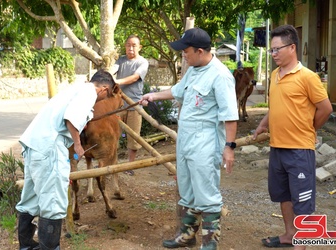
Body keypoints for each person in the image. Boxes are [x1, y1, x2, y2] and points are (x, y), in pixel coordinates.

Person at [139, 27, 238, 250]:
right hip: (186, 140)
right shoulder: (193, 69)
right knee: (187, 190)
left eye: (186, 51)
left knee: (206, 192)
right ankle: (186, 236)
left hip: (205, 141)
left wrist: (229, 147)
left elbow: (230, 116)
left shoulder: (221, 76)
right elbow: (178, 91)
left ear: (200, 51)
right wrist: (153, 95)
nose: (183, 54)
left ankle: (209, 244)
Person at [16, 70, 117, 250]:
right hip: (49, 148)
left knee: (30, 201)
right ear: (104, 89)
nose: (104, 99)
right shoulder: (89, 93)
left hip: (34, 146)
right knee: (53, 204)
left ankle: (26, 246)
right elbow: (71, 118)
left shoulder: (73, 90)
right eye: (107, 95)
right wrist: (78, 145)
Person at [253, 24, 333, 249]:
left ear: (292, 48)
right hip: (277, 147)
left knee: (303, 201)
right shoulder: (275, 75)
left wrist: (310, 129)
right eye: (271, 50)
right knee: (283, 195)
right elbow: (276, 107)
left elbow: (325, 108)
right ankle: (290, 235)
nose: (274, 54)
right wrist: (262, 125)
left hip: (299, 150)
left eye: (277, 49)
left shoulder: (307, 77)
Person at [113, 34, 149, 176]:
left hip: (134, 104)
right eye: (128, 45)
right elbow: (112, 70)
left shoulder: (142, 62)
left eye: (134, 45)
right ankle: (111, 163)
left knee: (133, 136)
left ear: (139, 47)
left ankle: (130, 165)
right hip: (118, 104)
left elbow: (135, 77)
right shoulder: (120, 60)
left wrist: (117, 82)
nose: (131, 48)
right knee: (112, 134)